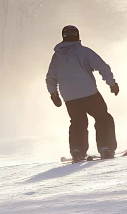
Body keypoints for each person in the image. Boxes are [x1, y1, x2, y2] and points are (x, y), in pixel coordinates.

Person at [46, 25, 119, 161]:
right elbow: (102, 66)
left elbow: (51, 77)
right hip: (89, 93)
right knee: (103, 118)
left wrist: (54, 94)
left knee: (77, 123)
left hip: (70, 98)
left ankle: (77, 150)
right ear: (77, 35)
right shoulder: (84, 52)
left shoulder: (57, 57)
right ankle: (106, 147)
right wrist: (112, 83)